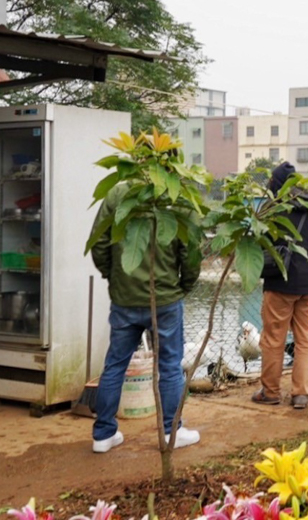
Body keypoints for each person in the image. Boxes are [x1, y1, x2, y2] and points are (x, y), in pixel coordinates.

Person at [89, 182, 201, 453]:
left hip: (124, 298)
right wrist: (183, 286)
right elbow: (191, 251)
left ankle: (103, 435)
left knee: (115, 364)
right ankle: (170, 431)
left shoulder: (118, 193)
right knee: (170, 367)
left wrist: (114, 278)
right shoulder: (178, 195)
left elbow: (99, 241)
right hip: (165, 298)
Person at [254, 162, 308, 409]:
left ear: (276, 185)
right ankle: (300, 393)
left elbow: (260, 247)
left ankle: (271, 392)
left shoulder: (273, 209)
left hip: (281, 282)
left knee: (274, 339)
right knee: (305, 339)